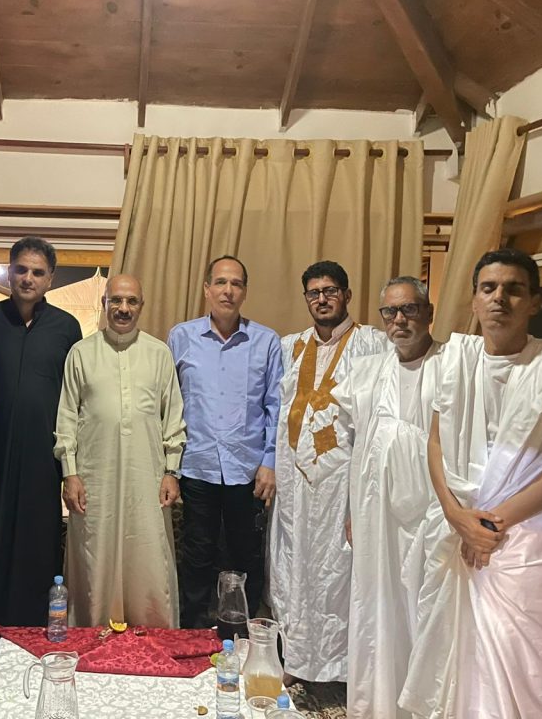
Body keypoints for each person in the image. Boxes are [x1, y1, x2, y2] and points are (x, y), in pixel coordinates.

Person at [401, 249, 542, 719]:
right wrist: (457, 517)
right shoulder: (455, 359)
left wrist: (491, 526)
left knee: (518, 667)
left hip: (529, 544)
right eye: (489, 288)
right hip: (463, 529)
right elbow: (435, 443)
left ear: (535, 301)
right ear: (474, 299)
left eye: (514, 289)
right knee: (458, 666)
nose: (499, 298)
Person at [0, 236, 82, 676]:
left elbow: (73, 401)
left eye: (38, 272)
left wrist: (70, 468)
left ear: (50, 279)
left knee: (36, 550)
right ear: (9, 272)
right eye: (21, 269)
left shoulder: (66, 328)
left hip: (42, 459)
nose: (28, 278)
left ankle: (28, 650)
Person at [325, 276, 441, 718]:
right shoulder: (368, 371)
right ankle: (377, 705)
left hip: (432, 515)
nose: (399, 320)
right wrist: (351, 511)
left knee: (424, 608)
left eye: (409, 309)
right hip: (375, 515)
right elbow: (355, 448)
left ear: (428, 313)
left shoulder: (451, 366)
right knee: (377, 606)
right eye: (390, 312)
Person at [270, 260, 386, 684]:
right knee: (293, 567)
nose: (322, 299)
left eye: (330, 291)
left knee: (339, 572)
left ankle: (343, 670)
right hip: (293, 483)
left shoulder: (372, 343)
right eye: (314, 293)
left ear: (347, 295)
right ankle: (296, 662)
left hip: (343, 484)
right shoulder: (290, 346)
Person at [55, 274, 186, 627]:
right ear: (104, 304)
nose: (123, 308)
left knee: (148, 554)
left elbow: (173, 417)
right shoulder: (81, 353)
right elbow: (66, 418)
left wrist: (171, 470)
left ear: (141, 306)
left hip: (148, 475)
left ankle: (152, 636)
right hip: (94, 476)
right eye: (116, 300)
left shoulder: (159, 353)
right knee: (93, 555)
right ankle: (91, 632)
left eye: (131, 301)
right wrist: (70, 473)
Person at [167, 256, 283, 628]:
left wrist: (270, 461)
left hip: (247, 469)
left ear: (245, 291)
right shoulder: (181, 337)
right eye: (220, 282)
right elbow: (168, 403)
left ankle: (242, 635)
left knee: (246, 556)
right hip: (196, 465)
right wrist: (168, 466)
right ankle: (193, 632)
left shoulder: (266, 342)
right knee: (196, 554)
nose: (227, 291)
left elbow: (276, 406)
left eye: (236, 283)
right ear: (207, 289)